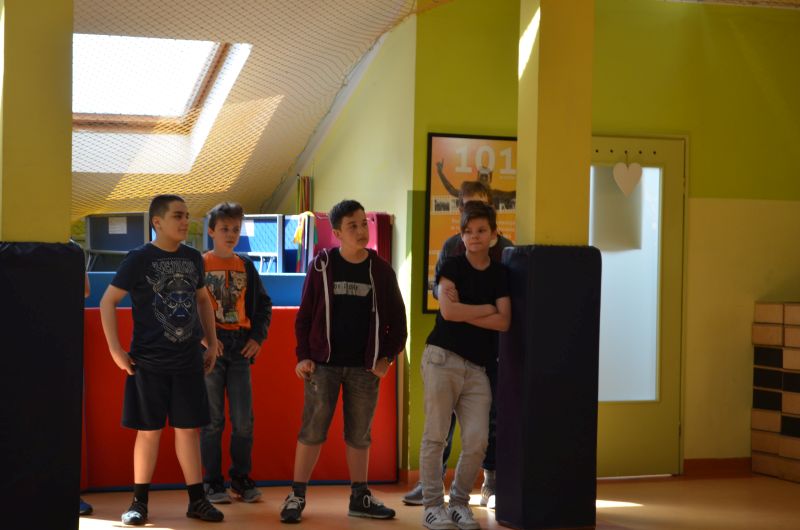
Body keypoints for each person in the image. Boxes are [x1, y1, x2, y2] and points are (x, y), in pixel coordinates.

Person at [279, 199, 407, 524]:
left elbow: (398, 322)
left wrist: (386, 359)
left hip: (365, 368)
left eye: (364, 223)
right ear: (336, 233)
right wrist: (303, 357)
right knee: (313, 429)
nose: (361, 230)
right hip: (323, 366)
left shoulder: (380, 270)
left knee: (359, 434)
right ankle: (297, 494)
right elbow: (304, 318)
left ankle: (359, 496)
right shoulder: (321, 266)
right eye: (352, 226)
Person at [99, 194, 224, 525]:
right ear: (157, 222)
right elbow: (108, 301)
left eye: (187, 215)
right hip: (148, 362)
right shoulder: (139, 258)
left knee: (188, 431)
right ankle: (139, 502)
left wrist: (211, 343)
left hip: (188, 361)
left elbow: (202, 300)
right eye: (178, 216)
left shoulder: (193, 257)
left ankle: (197, 500)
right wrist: (116, 350)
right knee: (149, 431)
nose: (185, 221)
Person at [405, 181, 512, 508]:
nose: (474, 233)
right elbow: (445, 303)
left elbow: (505, 318)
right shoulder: (452, 250)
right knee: (440, 428)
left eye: (481, 225)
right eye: (466, 209)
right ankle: (431, 488)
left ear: (492, 226)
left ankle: (488, 483)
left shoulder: (506, 253)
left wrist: (465, 311)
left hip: (486, 355)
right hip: (446, 353)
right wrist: (483, 308)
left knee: (486, 425)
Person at [200, 202, 273, 504]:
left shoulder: (246, 266)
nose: (230, 234)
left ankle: (240, 479)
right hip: (212, 349)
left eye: (235, 229)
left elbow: (264, 305)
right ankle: (211, 482)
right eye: (224, 229)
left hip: (240, 347)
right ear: (211, 231)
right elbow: (187, 306)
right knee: (212, 420)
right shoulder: (200, 264)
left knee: (244, 421)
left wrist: (257, 337)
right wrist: (206, 339)